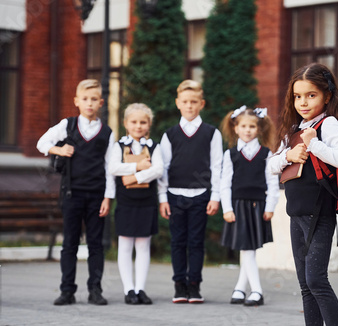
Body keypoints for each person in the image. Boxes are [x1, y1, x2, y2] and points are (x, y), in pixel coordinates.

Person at [268, 63, 338, 326]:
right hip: (296, 215)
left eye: (311, 95)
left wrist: (313, 143)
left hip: (320, 215)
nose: (303, 102)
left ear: (327, 96)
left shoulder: (328, 125)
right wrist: (288, 155)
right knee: (305, 285)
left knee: (317, 280)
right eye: (297, 96)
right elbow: (269, 166)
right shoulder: (293, 129)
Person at [37, 79, 115, 306]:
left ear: (100, 102)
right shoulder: (68, 125)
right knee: (69, 243)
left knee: (95, 244)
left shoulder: (107, 133)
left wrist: (108, 197)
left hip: (97, 195)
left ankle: (95, 290)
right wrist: (59, 149)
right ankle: (67, 290)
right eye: (85, 99)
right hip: (72, 194)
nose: (89, 103)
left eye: (94, 99)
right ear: (77, 101)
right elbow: (42, 142)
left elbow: (110, 168)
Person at [158, 80, 223, 304]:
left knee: (196, 242)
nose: (189, 106)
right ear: (178, 103)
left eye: (194, 102)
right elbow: (163, 168)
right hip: (175, 196)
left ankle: (194, 285)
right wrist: (162, 198)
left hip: (200, 196)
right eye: (185, 102)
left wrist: (215, 196)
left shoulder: (211, 133)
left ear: (201, 104)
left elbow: (217, 166)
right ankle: (179, 285)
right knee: (177, 242)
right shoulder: (170, 134)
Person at [219, 106, 279, 306]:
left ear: (259, 129)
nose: (247, 130)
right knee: (247, 249)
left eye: (252, 126)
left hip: (258, 206)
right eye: (243, 126)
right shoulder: (231, 154)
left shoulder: (266, 154)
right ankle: (247, 289)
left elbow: (272, 183)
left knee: (248, 250)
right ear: (236, 128)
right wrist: (227, 208)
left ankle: (253, 291)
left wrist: (270, 206)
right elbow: (224, 184)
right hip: (237, 206)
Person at [108, 103, 163, 305]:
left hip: (146, 201)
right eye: (134, 122)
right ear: (125, 124)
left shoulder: (154, 147)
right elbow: (114, 168)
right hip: (126, 201)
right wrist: (138, 166)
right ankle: (128, 289)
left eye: (143, 122)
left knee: (143, 245)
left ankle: (140, 288)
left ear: (149, 125)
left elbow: (158, 170)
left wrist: (132, 177)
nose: (138, 126)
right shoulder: (118, 146)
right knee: (125, 245)